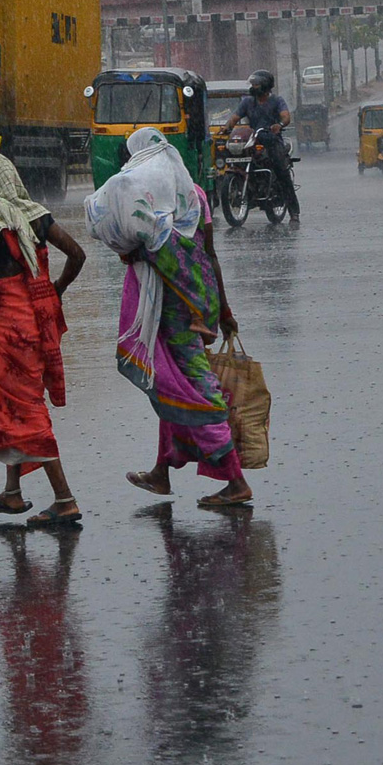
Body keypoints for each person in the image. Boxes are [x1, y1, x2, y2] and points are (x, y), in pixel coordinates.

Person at [85, 127, 251, 508]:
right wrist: (221, 308)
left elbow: (158, 245)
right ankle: (162, 471)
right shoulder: (194, 197)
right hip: (194, 300)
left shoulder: (148, 200)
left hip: (173, 307)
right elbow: (208, 256)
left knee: (193, 385)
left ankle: (235, 478)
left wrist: (138, 250)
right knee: (169, 382)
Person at [0, 152, 87, 527]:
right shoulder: (35, 214)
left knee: (26, 408)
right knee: (13, 402)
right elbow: (77, 255)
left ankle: (65, 499)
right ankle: (12, 494)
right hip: (39, 317)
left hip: (10, 323)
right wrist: (56, 290)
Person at [223, 69, 300, 225]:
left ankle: (294, 212)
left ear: (265, 85)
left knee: (281, 171)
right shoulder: (247, 102)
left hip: (272, 141)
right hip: (253, 140)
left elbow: (286, 117)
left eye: (256, 84)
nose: (253, 87)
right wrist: (227, 128)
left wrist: (279, 125)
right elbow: (235, 117)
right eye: (252, 84)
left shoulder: (277, 101)